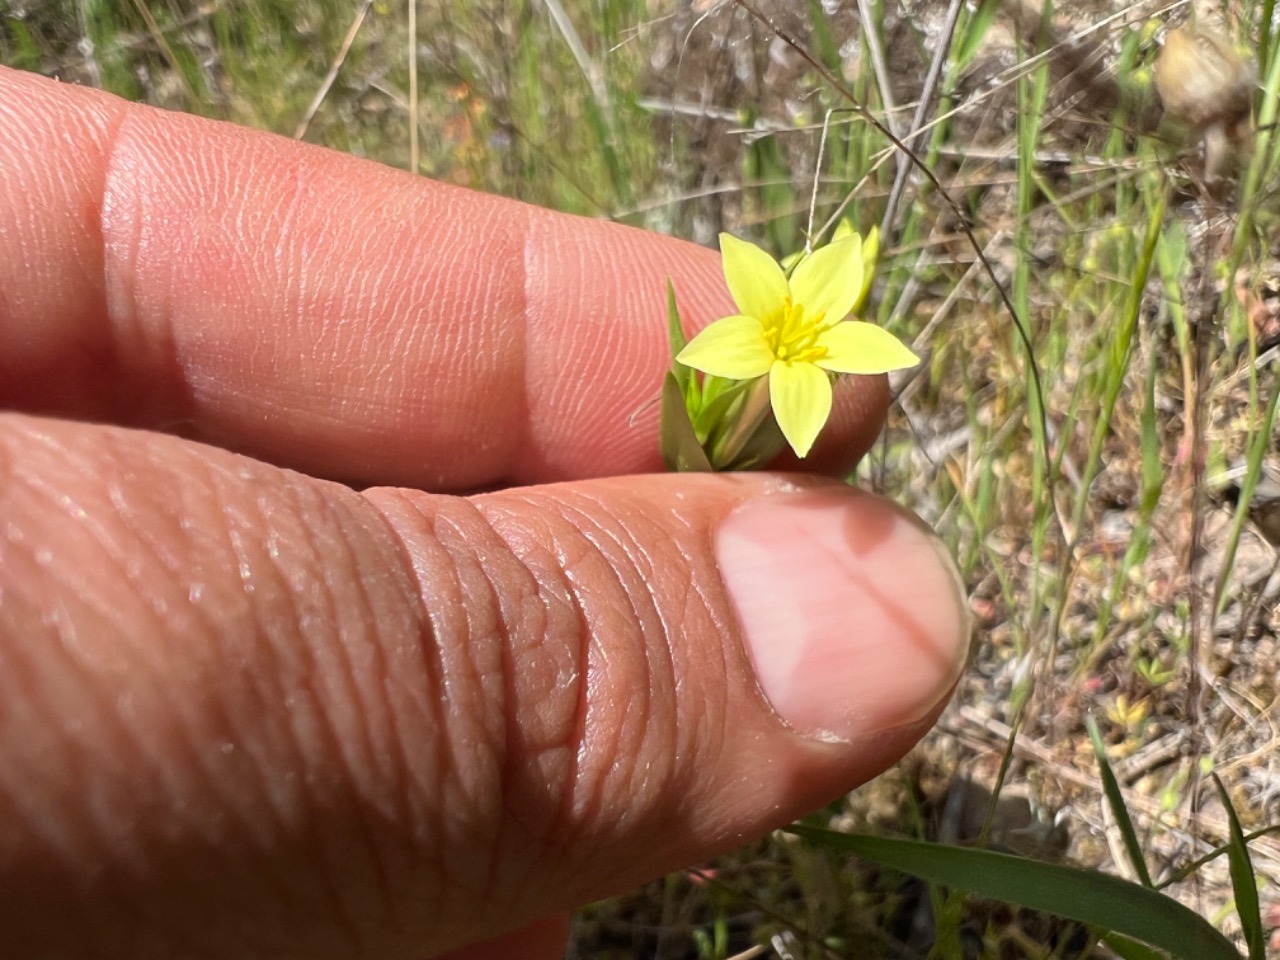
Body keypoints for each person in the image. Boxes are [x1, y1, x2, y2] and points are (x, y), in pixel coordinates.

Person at [0, 66, 968, 959]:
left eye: (804, 331)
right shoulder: (742, 344)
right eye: (783, 328)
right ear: (754, 324)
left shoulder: (791, 358)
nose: (796, 333)